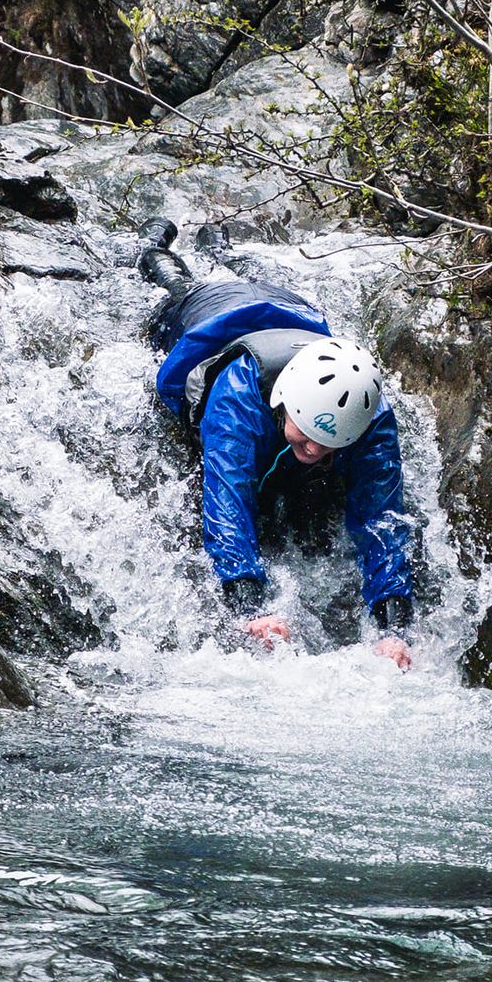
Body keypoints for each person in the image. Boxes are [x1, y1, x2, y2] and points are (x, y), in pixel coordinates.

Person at [138, 221, 414, 668]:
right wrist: (252, 606)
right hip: (201, 315)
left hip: (286, 309)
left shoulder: (371, 414)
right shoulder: (240, 394)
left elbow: (382, 516)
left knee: (240, 270)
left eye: (329, 444)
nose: (313, 452)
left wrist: (393, 628)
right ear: (283, 402)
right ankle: (152, 248)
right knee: (177, 282)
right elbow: (227, 496)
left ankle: (219, 241)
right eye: (306, 435)